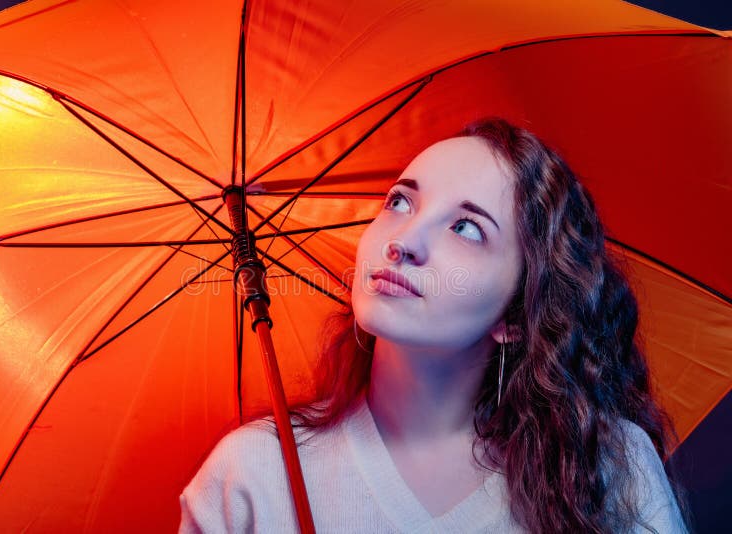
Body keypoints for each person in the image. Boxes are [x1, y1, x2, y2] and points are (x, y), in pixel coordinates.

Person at [178, 117, 690, 533]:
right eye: (399, 201)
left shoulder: (608, 467)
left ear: (515, 317)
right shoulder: (253, 474)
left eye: (465, 228)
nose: (404, 240)